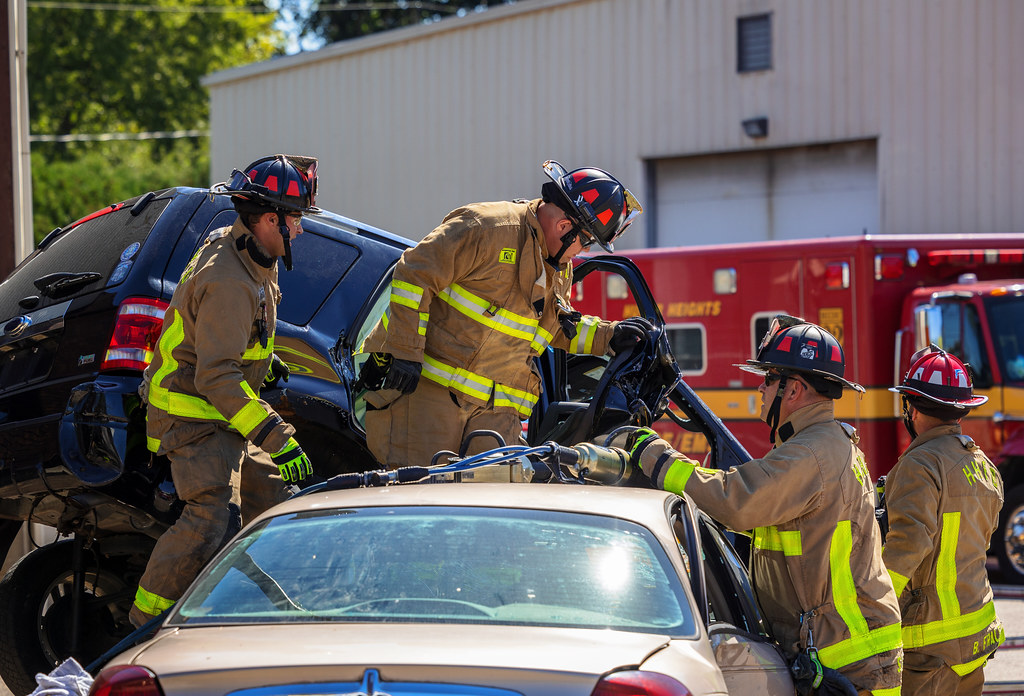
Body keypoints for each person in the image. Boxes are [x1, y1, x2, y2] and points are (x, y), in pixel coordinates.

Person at [622, 315, 903, 695]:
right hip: (845, 653)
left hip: (847, 661)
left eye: (770, 378)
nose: (761, 387)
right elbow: (762, 521)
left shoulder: (811, 454)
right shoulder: (819, 443)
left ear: (794, 390)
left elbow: (738, 502)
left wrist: (652, 455)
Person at [356, 160, 648, 476]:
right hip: (431, 398)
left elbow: (555, 325)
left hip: (497, 417)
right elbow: (414, 274)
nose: (581, 252)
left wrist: (610, 336)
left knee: (490, 511)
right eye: (586, 241)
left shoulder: (558, 267)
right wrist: (404, 351)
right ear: (564, 228)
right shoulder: (486, 228)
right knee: (422, 501)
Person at [130, 155, 317, 627]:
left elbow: (221, 337)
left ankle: (265, 620)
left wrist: (266, 363)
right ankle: (140, 628)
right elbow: (215, 377)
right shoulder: (230, 278)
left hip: (222, 415)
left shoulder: (250, 252)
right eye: (294, 219)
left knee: (275, 506)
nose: (299, 230)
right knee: (212, 518)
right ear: (269, 218)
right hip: (190, 416)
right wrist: (277, 437)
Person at [883, 345, 1004, 695]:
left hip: (931, 646)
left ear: (912, 407)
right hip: (974, 636)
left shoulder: (919, 465)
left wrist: (872, 607)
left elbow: (908, 545)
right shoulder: (982, 464)